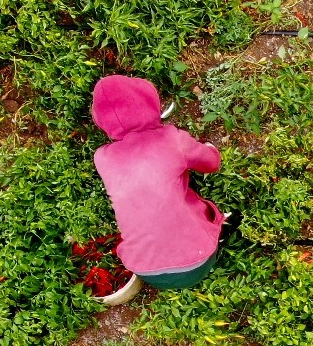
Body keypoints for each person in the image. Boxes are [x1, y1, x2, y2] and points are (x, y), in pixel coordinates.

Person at [91, 75, 224, 290]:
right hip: (198, 260)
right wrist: (210, 148)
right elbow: (211, 163)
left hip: (147, 273)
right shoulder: (171, 139)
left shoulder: (102, 158)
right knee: (200, 209)